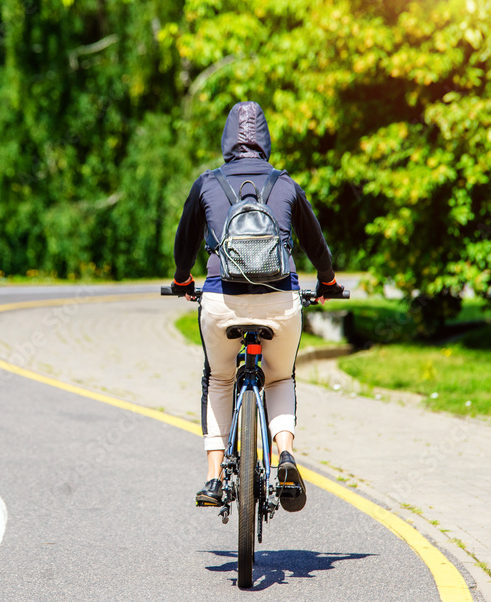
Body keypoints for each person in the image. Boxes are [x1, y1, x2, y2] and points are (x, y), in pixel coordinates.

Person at [170, 100, 343, 512]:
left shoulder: (207, 183)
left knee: (220, 380)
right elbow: (316, 242)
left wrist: (183, 280)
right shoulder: (285, 183)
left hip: (221, 301)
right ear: (265, 140)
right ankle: (284, 453)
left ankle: (213, 478)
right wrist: (328, 282)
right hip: (280, 301)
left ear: (228, 140)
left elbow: (185, 241)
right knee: (280, 378)